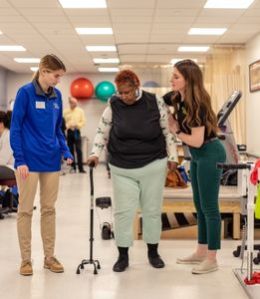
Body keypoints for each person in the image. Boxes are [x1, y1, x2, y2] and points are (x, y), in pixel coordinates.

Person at [87, 69, 178, 272]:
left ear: (137, 87)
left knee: (152, 211)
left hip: (153, 164)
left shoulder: (155, 102)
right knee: (123, 213)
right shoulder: (114, 103)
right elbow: (103, 130)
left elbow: (167, 131)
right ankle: (123, 255)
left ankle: (153, 252)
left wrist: (173, 156)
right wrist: (94, 154)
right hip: (122, 166)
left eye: (127, 92)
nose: (124, 96)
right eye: (121, 92)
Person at [10, 54, 73, 276]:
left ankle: (49, 256)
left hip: (51, 161)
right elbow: (15, 128)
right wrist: (20, 159)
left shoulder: (56, 96)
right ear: (44, 71)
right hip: (28, 162)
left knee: (49, 210)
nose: (58, 80)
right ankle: (26, 260)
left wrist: (65, 151)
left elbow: (58, 130)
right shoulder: (25, 93)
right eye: (56, 76)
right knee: (25, 211)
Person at [167, 59, 226, 274]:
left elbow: (197, 140)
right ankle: (201, 252)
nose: (171, 80)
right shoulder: (179, 99)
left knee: (210, 207)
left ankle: (212, 258)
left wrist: (175, 129)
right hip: (198, 155)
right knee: (199, 206)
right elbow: (160, 103)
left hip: (209, 152)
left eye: (176, 76)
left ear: (188, 80)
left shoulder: (198, 104)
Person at [63, 97, 86, 173]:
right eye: (73, 103)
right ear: (70, 103)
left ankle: (81, 168)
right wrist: (68, 125)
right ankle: (73, 168)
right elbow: (63, 122)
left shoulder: (80, 111)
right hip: (69, 132)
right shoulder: (65, 112)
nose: (75, 104)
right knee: (70, 150)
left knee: (79, 150)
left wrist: (77, 125)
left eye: (76, 103)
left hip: (77, 131)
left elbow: (83, 121)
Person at [0, 111, 15, 180]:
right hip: (4, 166)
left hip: (10, 168)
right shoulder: (2, 136)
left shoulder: (8, 136)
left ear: (1, 124)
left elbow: (2, 160)